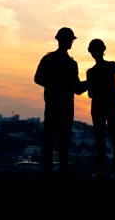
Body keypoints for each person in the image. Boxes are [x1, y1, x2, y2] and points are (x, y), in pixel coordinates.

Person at [34, 27, 87, 179]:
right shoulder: (65, 63)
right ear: (63, 40)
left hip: (57, 106)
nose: (71, 42)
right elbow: (38, 78)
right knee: (58, 141)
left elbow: (76, 89)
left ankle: (52, 172)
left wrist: (90, 82)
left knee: (57, 142)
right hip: (58, 107)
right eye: (70, 40)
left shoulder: (56, 61)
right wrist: (56, 85)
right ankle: (56, 173)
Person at [86, 39, 115, 179]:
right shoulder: (111, 66)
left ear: (91, 53)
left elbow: (90, 94)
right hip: (111, 105)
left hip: (100, 107)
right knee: (114, 138)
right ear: (103, 50)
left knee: (101, 139)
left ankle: (102, 171)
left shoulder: (91, 71)